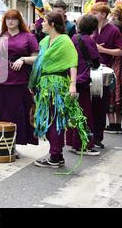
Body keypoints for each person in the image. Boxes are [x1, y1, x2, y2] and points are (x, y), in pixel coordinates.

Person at [30, 11, 88, 168]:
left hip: (58, 84)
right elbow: (39, 61)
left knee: (56, 119)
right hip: (43, 84)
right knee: (45, 120)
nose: (41, 23)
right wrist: (23, 60)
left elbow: (72, 62)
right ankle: (57, 154)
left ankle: (55, 156)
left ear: (52, 24)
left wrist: (73, 84)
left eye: (44, 21)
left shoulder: (65, 41)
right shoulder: (45, 41)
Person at [0, 9, 39, 156]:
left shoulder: (28, 37)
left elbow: (37, 58)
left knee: (15, 114)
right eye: (7, 19)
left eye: (13, 18)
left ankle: (12, 145)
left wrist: (23, 59)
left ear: (19, 20)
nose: (10, 21)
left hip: (18, 82)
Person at [90, 2, 122, 148]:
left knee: (100, 105)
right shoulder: (90, 28)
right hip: (88, 69)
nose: (92, 16)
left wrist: (103, 50)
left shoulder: (113, 30)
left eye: (95, 13)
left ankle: (97, 137)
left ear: (103, 14)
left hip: (104, 71)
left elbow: (121, 51)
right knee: (88, 105)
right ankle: (87, 135)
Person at [67, 15, 100, 156]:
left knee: (74, 112)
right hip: (83, 80)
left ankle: (72, 142)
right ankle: (84, 145)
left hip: (71, 79)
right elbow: (96, 62)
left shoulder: (74, 38)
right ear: (93, 28)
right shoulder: (89, 41)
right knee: (85, 114)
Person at [106, 5, 122, 133]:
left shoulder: (114, 43)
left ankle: (112, 124)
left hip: (113, 69)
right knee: (121, 96)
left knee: (111, 95)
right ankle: (118, 125)